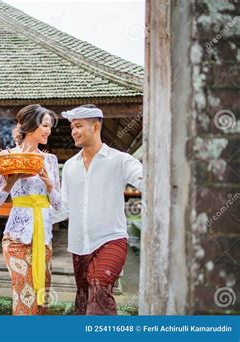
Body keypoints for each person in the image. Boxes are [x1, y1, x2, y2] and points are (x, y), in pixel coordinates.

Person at [53, 104, 142, 315]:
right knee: (84, 299)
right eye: (72, 127)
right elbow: (66, 206)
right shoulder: (70, 167)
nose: (73, 131)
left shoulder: (120, 160)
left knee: (99, 283)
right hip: (79, 245)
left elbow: (143, 177)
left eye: (78, 126)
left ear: (95, 126)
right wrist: (35, 218)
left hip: (112, 239)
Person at [0, 104, 61, 315]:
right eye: (45, 125)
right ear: (30, 127)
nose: (49, 130)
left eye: (50, 126)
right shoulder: (6, 158)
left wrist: (50, 186)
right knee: (24, 296)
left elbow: (58, 204)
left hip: (44, 239)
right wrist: (9, 183)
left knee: (42, 299)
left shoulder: (50, 160)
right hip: (17, 239)